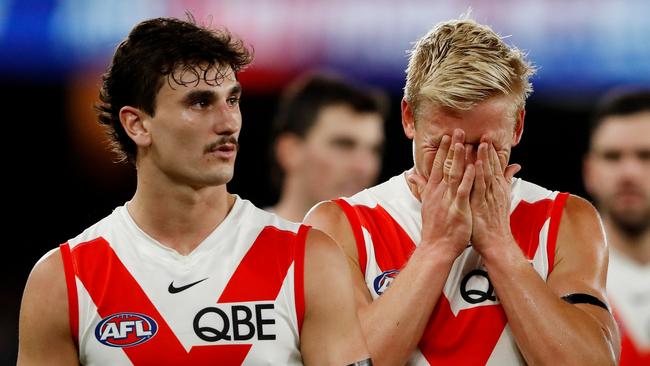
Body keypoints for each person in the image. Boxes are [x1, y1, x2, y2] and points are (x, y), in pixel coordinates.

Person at [17, 16, 371, 365]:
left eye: (232, 100)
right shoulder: (63, 280)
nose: (228, 122)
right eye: (200, 103)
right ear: (137, 124)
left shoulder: (309, 260)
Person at [305, 18, 620, 365]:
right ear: (409, 118)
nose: (465, 166)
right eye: (444, 147)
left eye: (485, 148)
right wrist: (437, 247)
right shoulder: (339, 226)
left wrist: (500, 247)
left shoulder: (565, 221)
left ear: (517, 127)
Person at [583, 89, 650, 365]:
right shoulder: (552, 280)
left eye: (646, 156)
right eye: (612, 157)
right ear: (589, 171)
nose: (628, 173)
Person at [269, 72, 387, 222]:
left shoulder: (402, 244)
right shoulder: (240, 242)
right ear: (289, 151)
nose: (364, 167)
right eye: (343, 145)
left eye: (375, 150)